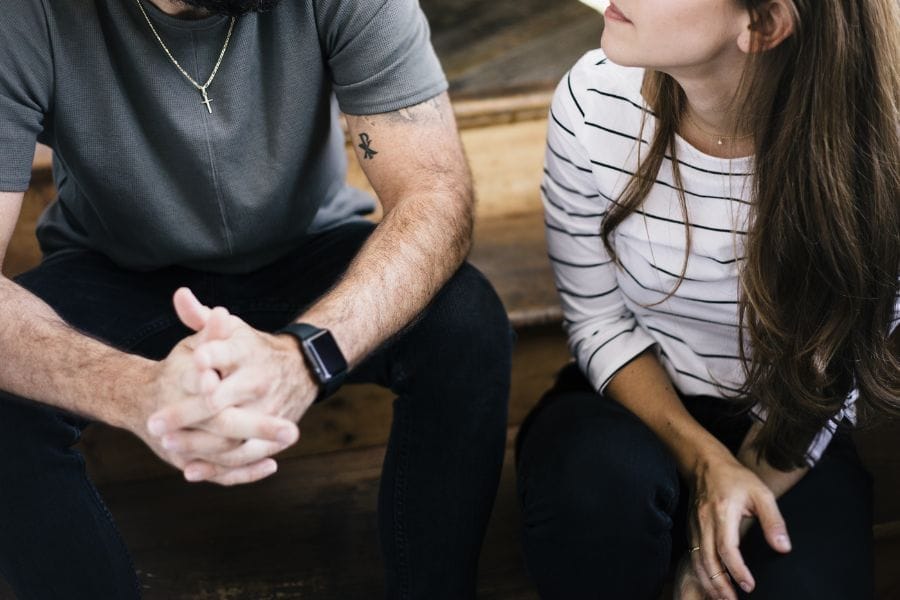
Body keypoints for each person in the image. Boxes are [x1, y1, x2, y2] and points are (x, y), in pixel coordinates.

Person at [0, 0, 513, 597]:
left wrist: (308, 356)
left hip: (307, 249)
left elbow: (434, 191)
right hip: (116, 267)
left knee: (465, 323)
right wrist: (134, 392)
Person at [516, 1, 899, 598]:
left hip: (793, 429)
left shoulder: (880, 151)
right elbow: (597, 319)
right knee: (596, 484)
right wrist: (705, 464)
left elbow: (838, 365)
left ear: (764, 23)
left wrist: (718, 534)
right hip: (631, 401)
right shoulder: (592, 102)